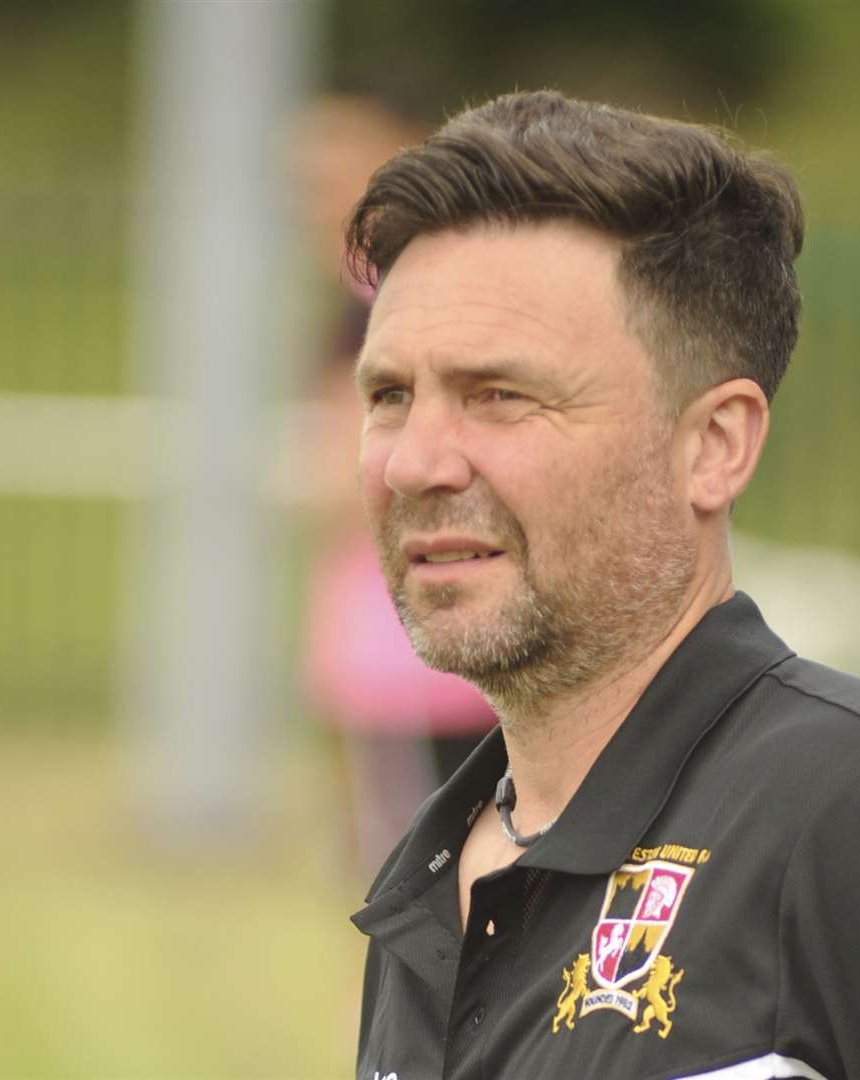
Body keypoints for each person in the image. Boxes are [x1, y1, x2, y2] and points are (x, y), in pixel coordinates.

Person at [345, 90, 860, 1079]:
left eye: (499, 396)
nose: (415, 462)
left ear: (712, 445)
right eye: (388, 396)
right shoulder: (429, 876)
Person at [293, 92, 497, 880]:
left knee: (414, 881)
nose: (318, 199)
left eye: (340, 169)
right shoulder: (362, 305)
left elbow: (347, 481)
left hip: (414, 651)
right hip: (393, 641)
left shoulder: (396, 312)